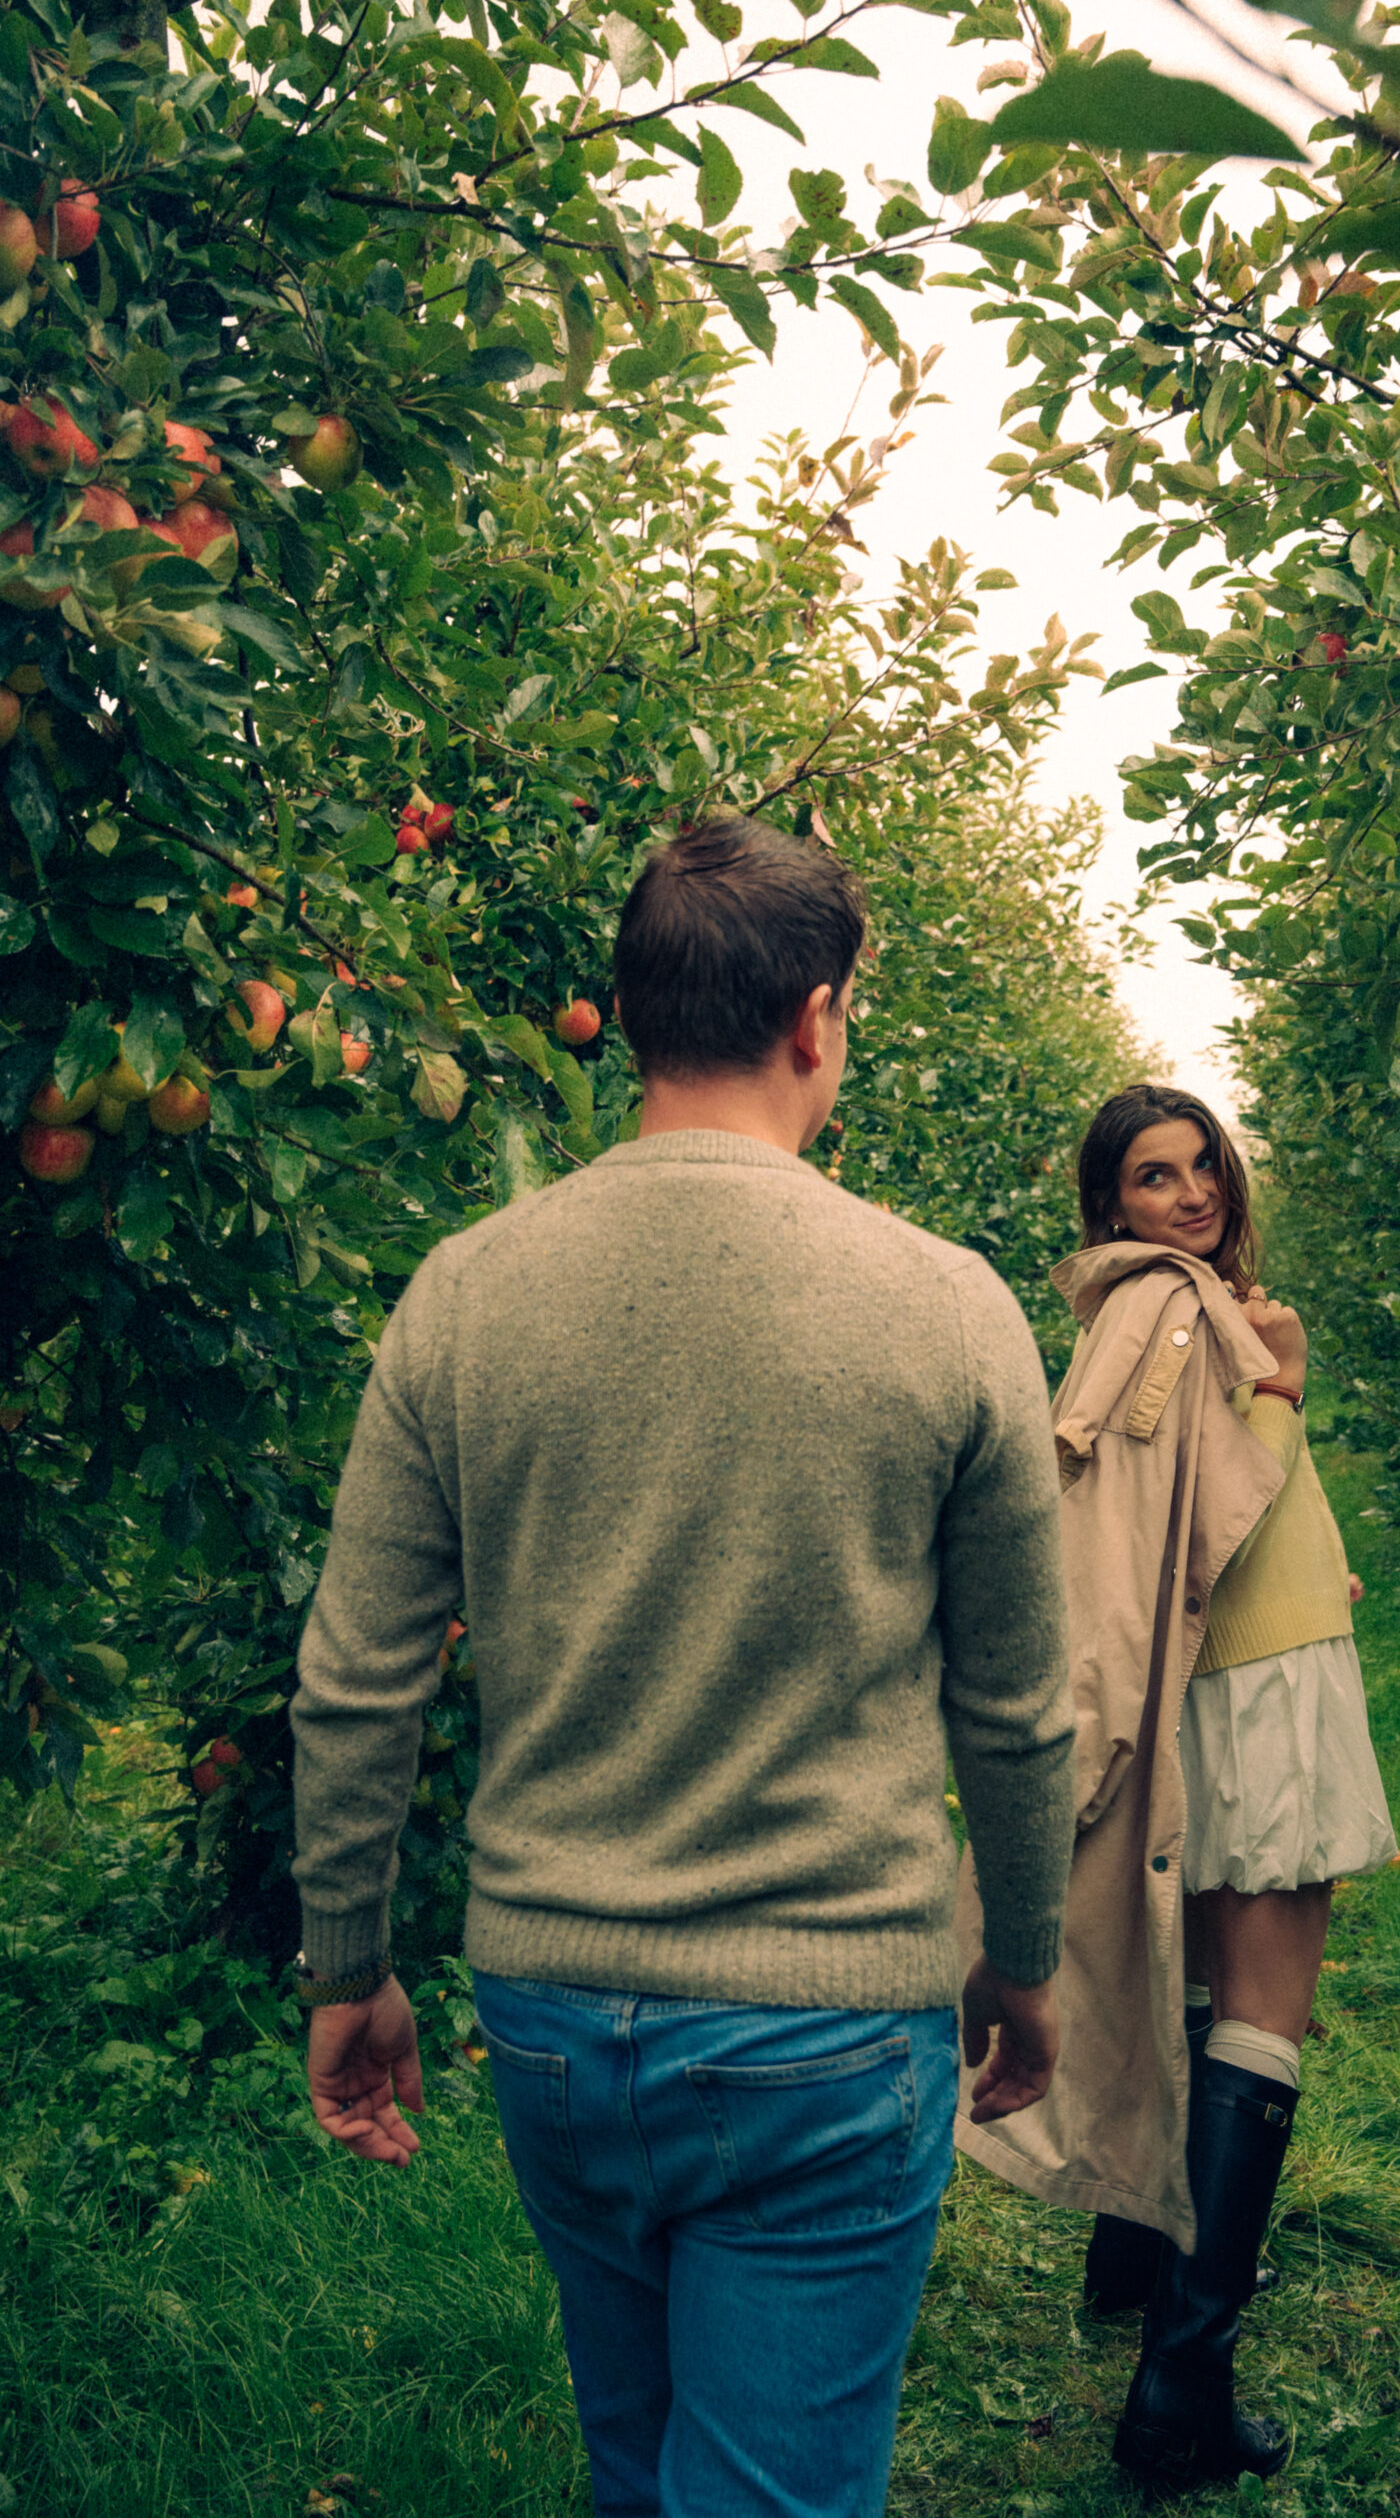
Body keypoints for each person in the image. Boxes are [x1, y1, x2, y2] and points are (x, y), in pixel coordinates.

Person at [288, 817, 1078, 2518]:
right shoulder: (949, 1308)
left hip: (558, 2014)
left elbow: (357, 1677)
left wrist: (345, 1963)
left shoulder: (465, 1295)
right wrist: (1021, 1955)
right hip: (831, 2023)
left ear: (632, 1015)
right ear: (816, 1017)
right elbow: (1016, 1708)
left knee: (640, 2466)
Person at [955, 1082, 1394, 2497]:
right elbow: (1208, 1510)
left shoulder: (1150, 1303)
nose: (1194, 1193)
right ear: (1109, 1204)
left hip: (1223, 1674)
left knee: (1205, 1972)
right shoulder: (1187, 1308)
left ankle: (1135, 2254)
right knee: (1267, 2013)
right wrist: (1280, 1397)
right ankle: (1181, 2387)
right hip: (1260, 1676)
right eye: (1156, 1175)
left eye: (1205, 1165)